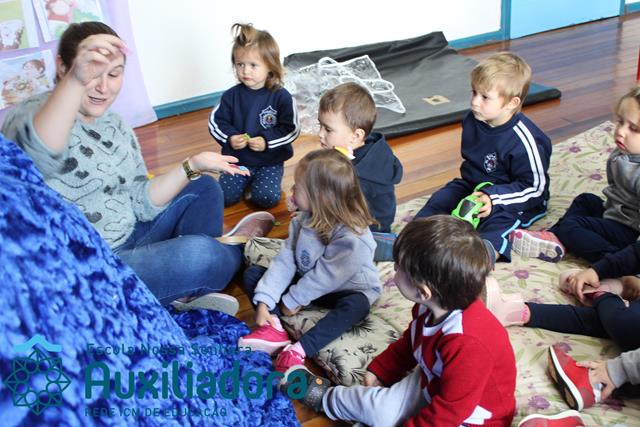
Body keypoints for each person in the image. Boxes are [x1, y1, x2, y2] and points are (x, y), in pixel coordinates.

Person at [0, 21, 275, 314]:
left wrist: (191, 165)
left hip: (130, 232)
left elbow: (140, 199)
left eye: (114, 74)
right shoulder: (30, 115)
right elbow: (40, 150)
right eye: (91, 73)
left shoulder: (116, 125)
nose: (103, 87)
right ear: (63, 67)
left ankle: (189, 285)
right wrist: (76, 79)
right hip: (91, 267)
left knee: (203, 185)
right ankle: (235, 251)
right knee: (204, 255)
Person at [283, 215, 517, 426]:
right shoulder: (428, 307)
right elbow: (410, 343)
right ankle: (326, 398)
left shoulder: (468, 343)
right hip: (434, 383)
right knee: (377, 409)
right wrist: (383, 370)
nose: (393, 268)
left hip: (469, 418)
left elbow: (448, 414)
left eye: (399, 267)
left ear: (423, 291)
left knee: (389, 415)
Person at [238, 149, 381, 373]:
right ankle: (275, 330)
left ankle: (301, 349)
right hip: (311, 282)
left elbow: (326, 277)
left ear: (320, 197)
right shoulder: (302, 221)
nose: (291, 190)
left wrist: (292, 301)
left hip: (347, 289)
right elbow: (286, 260)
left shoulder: (353, 238)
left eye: (297, 186)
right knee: (253, 275)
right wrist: (266, 300)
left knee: (358, 307)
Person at [414, 52, 551, 265]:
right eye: (474, 92)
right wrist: (474, 192)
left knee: (497, 224)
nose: (474, 102)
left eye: (485, 97)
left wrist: (493, 198)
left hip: (512, 198)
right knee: (441, 200)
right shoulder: (473, 120)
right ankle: (413, 238)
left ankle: (478, 260)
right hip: (474, 185)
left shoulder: (526, 140)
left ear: (511, 103)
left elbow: (535, 188)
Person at [510, 87, 640, 263]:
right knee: (585, 200)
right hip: (616, 212)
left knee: (571, 227)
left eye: (633, 128)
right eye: (620, 121)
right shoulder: (623, 153)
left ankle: (612, 259)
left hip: (630, 231)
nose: (621, 131)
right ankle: (554, 238)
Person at [208, 23, 299, 208]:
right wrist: (230, 138)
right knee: (223, 197)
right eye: (240, 64)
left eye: (253, 65)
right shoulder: (231, 96)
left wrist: (267, 141)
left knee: (266, 199)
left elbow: (291, 129)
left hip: (269, 161)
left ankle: (258, 182)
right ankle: (246, 180)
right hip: (238, 160)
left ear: (270, 66)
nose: (245, 71)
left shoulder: (281, 97)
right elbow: (216, 122)